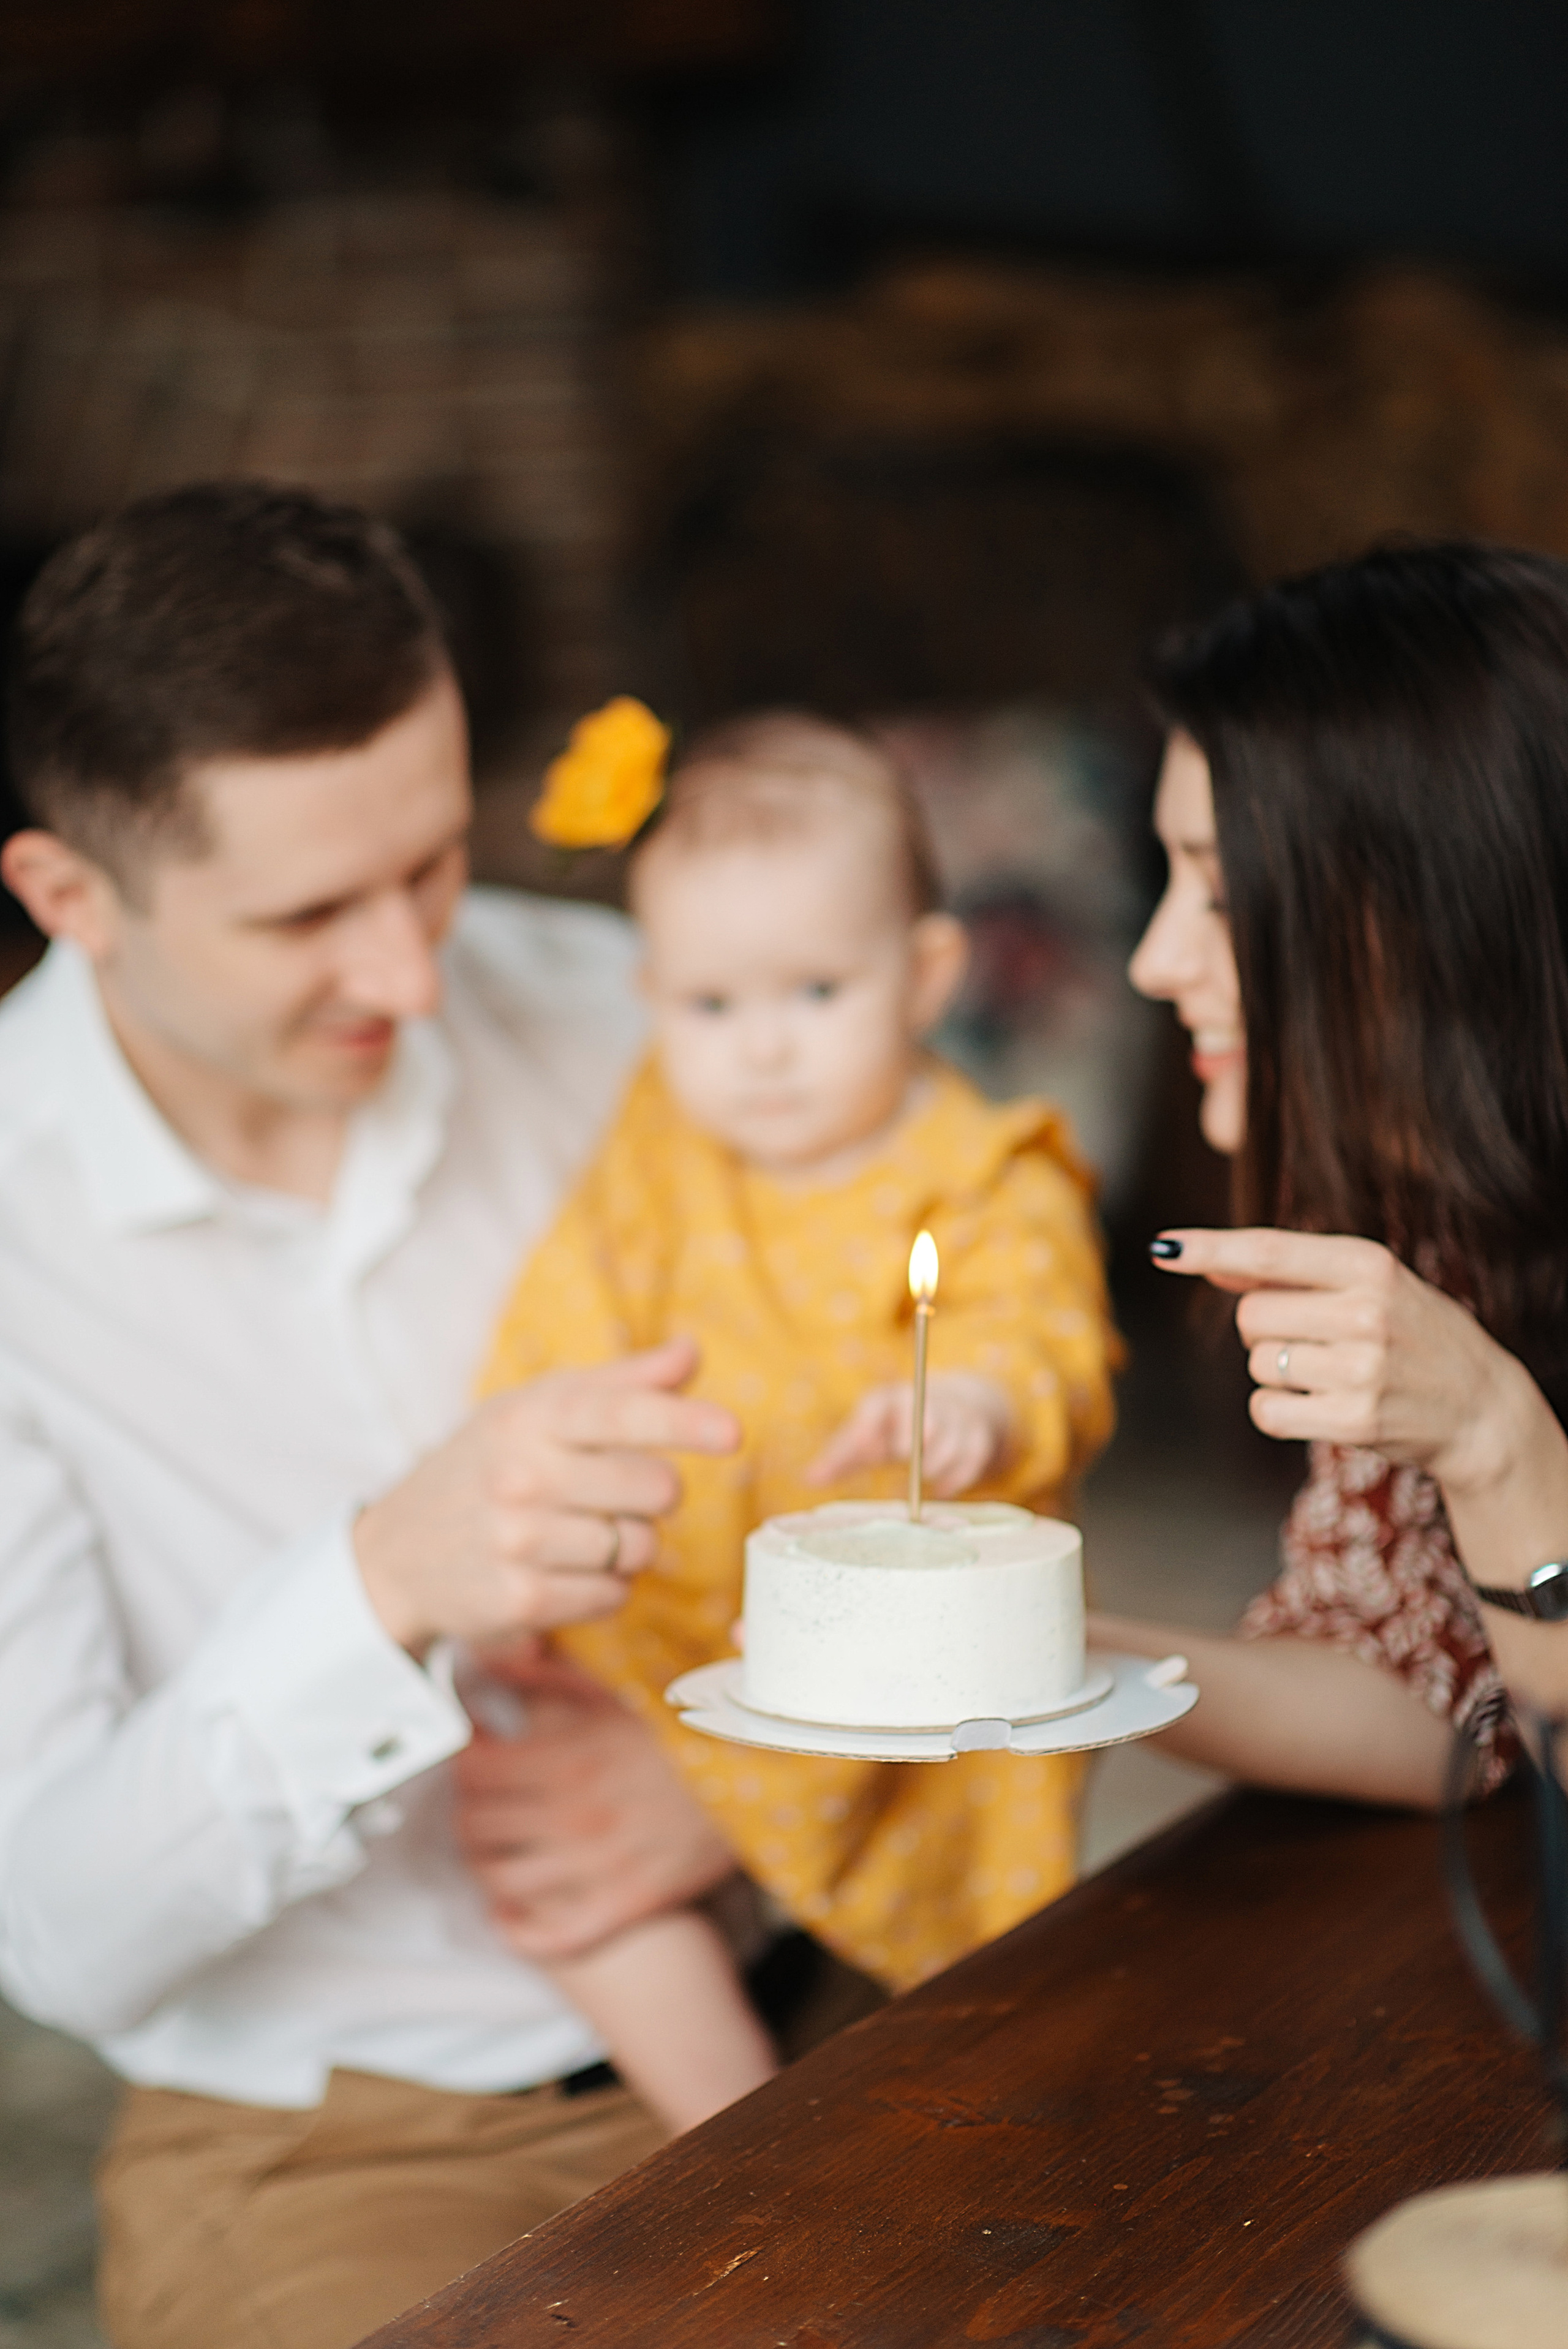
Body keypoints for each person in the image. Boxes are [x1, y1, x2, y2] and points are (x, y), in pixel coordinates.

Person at [0, 481, 780, 2349]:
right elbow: (62, 1926)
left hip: (818, 1962)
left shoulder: (619, 1011)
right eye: (308, 913)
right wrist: (377, 1587)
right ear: (69, 896)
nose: (416, 977)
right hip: (333, 2147)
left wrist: (751, 1775)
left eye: (431, 863)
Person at [478, 711, 1120, 2082]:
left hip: (875, 1657)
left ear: (924, 973)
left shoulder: (983, 1164)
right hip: (676, 1617)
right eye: (712, 1007)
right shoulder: (662, 1143)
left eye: (814, 993)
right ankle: (725, 2130)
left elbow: (1040, 1326)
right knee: (571, 1870)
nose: (760, 1050)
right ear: (653, 999)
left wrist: (982, 1407)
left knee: (974, 1965)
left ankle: (959, 2068)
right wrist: (553, 1469)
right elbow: (565, 1311)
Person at [1092, 540, 1568, 1801]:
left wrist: (1493, 1443)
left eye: (1217, 891)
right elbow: (1430, 1696)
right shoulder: (1413, 1208)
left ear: (1420, 906)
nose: (1152, 962)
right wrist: (1049, 1652)